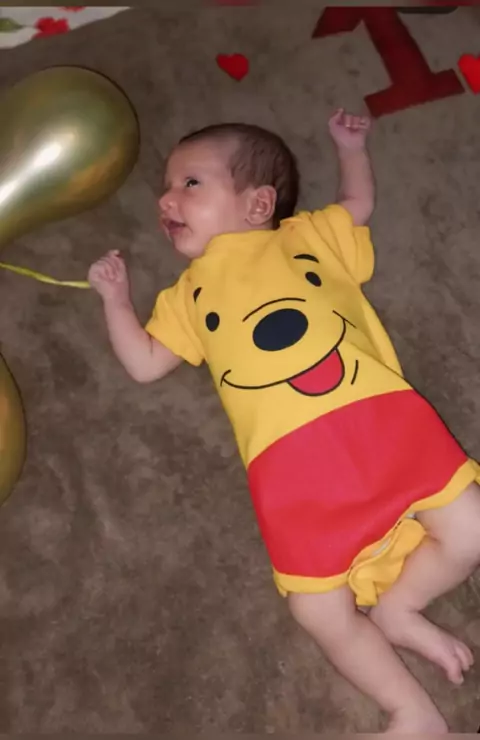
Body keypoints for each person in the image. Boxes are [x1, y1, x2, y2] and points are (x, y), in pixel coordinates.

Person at [88, 109, 480, 733]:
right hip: (290, 466)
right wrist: (116, 302)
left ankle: (402, 607)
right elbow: (144, 363)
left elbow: (357, 203)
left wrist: (349, 146)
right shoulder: (186, 294)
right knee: (316, 610)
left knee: (472, 527)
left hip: (381, 422)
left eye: (190, 183)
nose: (166, 198)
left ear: (258, 204)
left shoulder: (306, 236)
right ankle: (413, 713)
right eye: (166, 187)